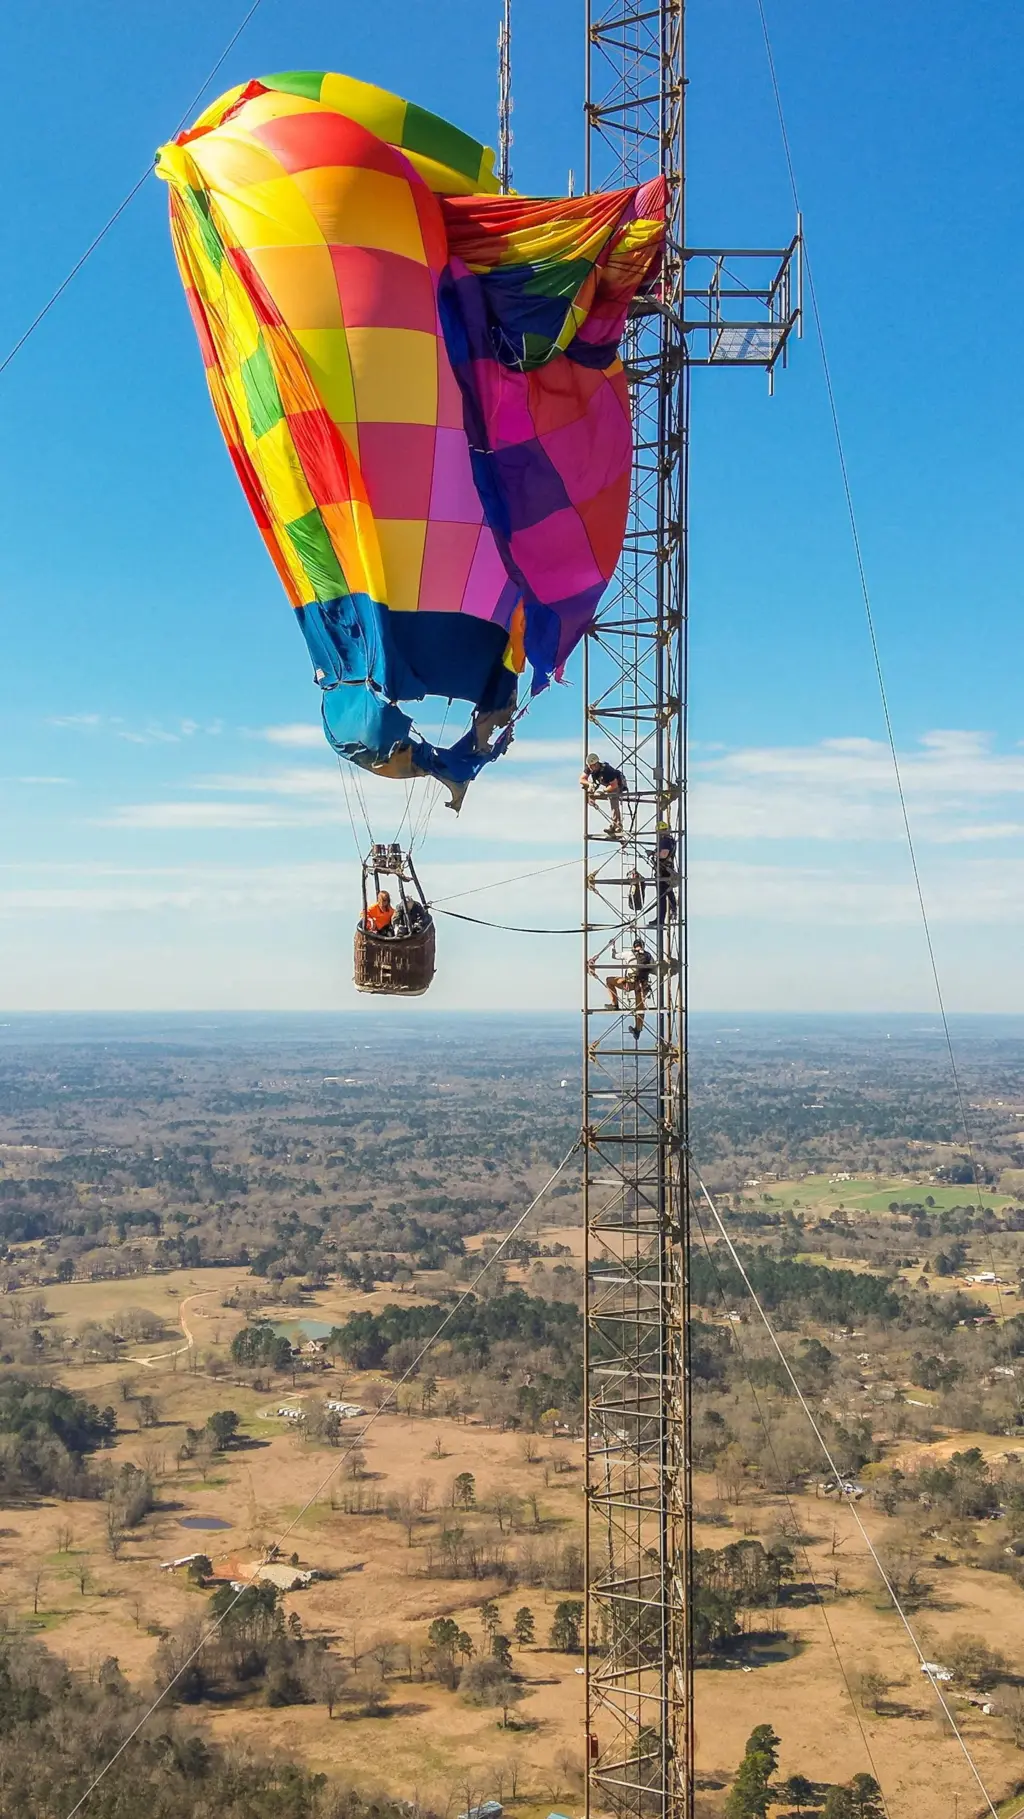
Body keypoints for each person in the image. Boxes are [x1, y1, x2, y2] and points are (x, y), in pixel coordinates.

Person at [596, 938, 655, 1039]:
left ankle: (615, 1004)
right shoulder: (648, 955)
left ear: (633, 946)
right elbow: (654, 968)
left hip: (630, 983)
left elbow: (614, 956)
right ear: (643, 946)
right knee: (640, 1008)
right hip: (642, 985)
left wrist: (612, 946)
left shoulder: (629, 953)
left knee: (609, 980)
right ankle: (638, 1029)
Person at [581, 752, 628, 836]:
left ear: (596, 764)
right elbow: (582, 779)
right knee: (590, 789)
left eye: (591, 766)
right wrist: (590, 784)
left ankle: (617, 826)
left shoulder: (607, 770)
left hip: (617, 783)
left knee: (613, 799)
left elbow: (614, 785)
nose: (589, 768)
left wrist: (603, 791)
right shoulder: (589, 768)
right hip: (606, 783)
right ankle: (614, 825)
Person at [648, 823, 677, 928]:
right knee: (667, 894)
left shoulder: (665, 841)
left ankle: (660, 919)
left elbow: (664, 854)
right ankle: (670, 911)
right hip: (667, 871)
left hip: (664, 872)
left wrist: (653, 853)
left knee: (662, 897)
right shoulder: (671, 841)